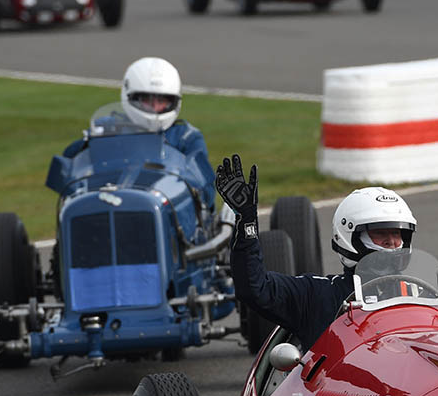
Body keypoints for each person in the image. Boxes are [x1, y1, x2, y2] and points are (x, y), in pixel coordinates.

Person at [216, 153, 417, 351]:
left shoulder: (418, 296)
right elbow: (255, 288)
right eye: (381, 234)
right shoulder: (316, 296)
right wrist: (247, 222)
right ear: (350, 238)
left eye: (398, 234)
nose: (392, 242)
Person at [62, 57, 216, 210]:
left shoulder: (185, 137)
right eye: (147, 100)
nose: (155, 107)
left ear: (174, 102)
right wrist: (91, 140)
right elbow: (69, 166)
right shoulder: (109, 130)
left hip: (165, 214)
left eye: (162, 101)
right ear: (131, 97)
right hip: (111, 205)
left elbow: (206, 191)